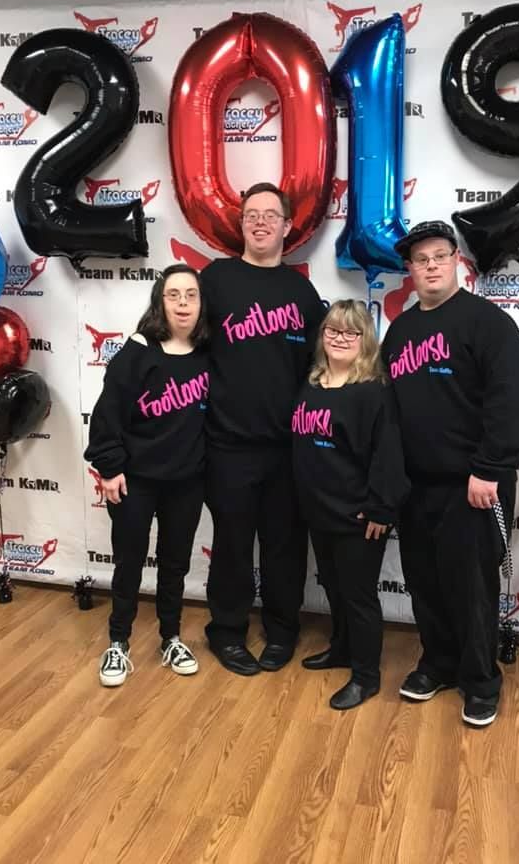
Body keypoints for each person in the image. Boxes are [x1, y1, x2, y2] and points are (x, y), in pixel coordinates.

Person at [381, 221, 519, 727]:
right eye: (420, 259)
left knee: (471, 587)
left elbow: (515, 397)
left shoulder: (486, 323)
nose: (429, 266)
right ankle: (437, 663)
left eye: (438, 257)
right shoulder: (401, 331)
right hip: (416, 486)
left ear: (457, 262)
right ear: (409, 270)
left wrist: (490, 468)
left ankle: (480, 680)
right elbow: (388, 410)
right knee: (424, 581)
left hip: (474, 485)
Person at [200, 182, 326, 676]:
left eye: (270, 215)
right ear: (241, 223)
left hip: (288, 449)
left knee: (285, 548)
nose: (260, 222)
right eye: (252, 214)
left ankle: (281, 631)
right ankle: (227, 633)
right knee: (230, 545)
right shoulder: (216, 279)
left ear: (287, 226)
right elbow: (186, 351)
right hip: (228, 445)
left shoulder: (301, 291)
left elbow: (321, 370)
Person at [85, 264, 210, 687]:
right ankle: (118, 642)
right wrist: (110, 466)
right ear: (160, 301)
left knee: (175, 565)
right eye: (173, 295)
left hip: (186, 482)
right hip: (136, 480)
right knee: (129, 563)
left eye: (191, 295)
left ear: (200, 304)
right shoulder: (137, 352)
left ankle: (170, 637)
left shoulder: (208, 354)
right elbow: (107, 416)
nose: (182, 303)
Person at [293, 301, 409, 710]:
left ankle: (366, 675)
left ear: (365, 340)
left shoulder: (373, 391)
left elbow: (388, 454)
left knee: (359, 597)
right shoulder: (311, 382)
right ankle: (341, 648)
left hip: (358, 517)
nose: (340, 339)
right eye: (332, 331)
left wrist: (381, 508)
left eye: (350, 333)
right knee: (335, 589)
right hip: (318, 510)